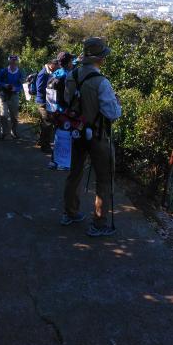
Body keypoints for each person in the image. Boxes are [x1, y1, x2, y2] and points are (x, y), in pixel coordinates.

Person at [61, 37, 122, 237]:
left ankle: (70, 212)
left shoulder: (73, 75)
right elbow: (112, 114)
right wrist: (117, 104)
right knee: (104, 179)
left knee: (75, 173)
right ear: (100, 58)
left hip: (77, 131)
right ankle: (99, 223)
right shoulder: (101, 82)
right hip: (97, 135)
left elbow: (69, 101)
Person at [0, 55, 24, 140]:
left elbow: (22, 84)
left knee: (14, 116)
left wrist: (16, 88)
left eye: (15, 61)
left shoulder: (19, 72)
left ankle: (13, 131)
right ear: (9, 62)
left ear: (17, 62)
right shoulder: (3, 71)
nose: (13, 63)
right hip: (3, 95)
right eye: (12, 61)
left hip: (14, 95)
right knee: (4, 114)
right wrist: (5, 85)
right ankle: (4, 132)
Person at [36, 58, 59, 153]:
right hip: (43, 102)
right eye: (57, 66)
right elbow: (39, 88)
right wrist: (50, 91)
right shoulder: (43, 73)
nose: (58, 68)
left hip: (48, 101)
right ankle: (46, 146)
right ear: (52, 65)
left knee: (45, 122)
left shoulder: (49, 72)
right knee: (48, 123)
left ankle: (41, 141)